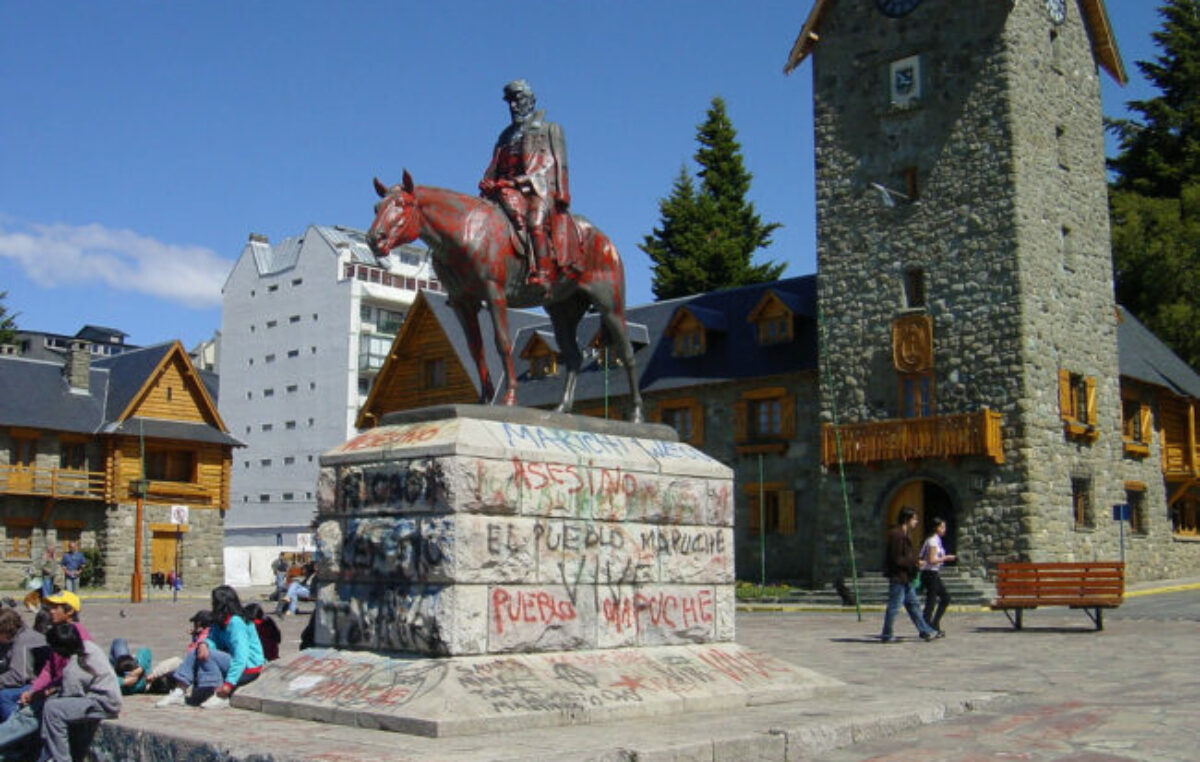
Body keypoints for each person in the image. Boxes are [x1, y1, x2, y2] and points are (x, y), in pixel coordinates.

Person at [479, 78, 571, 287]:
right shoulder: (505, 136)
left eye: (517, 99)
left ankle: (543, 271)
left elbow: (555, 163)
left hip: (538, 189)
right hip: (504, 190)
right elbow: (494, 165)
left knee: (534, 222)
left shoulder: (549, 129)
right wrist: (487, 182)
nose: (513, 106)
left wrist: (562, 192)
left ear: (530, 101)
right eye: (509, 101)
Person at [157, 587, 265, 710]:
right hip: (232, 660)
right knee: (197, 650)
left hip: (248, 667)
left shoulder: (236, 622)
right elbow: (212, 638)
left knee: (210, 655)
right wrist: (204, 644)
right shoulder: (219, 621)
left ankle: (220, 695)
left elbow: (241, 656)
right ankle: (179, 690)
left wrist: (228, 685)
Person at [35, 622, 121, 762]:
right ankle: (46, 755)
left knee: (52, 709)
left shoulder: (73, 669)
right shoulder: (88, 646)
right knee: (52, 703)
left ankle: (61, 758)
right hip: (101, 698)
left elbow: (71, 694)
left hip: (103, 703)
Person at [880, 507, 941, 643]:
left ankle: (925, 631)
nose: (917, 522)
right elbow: (896, 558)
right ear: (907, 520)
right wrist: (914, 562)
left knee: (914, 606)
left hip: (906, 577)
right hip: (899, 577)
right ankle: (886, 634)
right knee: (894, 607)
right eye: (915, 519)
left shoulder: (905, 535)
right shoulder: (897, 535)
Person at [0, 608, 47, 722]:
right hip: (26, 681)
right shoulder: (9, 639)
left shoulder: (23, 641)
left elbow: (18, 676)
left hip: (37, 684)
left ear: (5, 631)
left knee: (3, 696)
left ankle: (16, 729)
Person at [920, 517, 956, 636]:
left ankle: (934, 623)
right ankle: (926, 627)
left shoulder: (937, 540)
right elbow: (931, 560)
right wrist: (946, 558)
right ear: (936, 528)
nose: (944, 529)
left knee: (945, 598)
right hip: (929, 573)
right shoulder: (932, 541)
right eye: (942, 527)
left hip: (934, 573)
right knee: (931, 601)